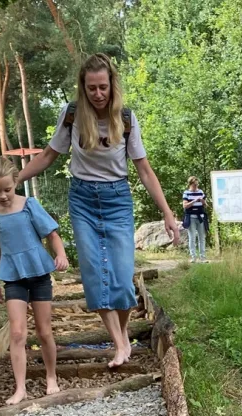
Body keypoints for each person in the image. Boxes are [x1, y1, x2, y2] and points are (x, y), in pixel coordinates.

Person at [18, 53, 180, 368]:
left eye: (103, 87)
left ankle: (121, 338)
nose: (98, 94)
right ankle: (121, 344)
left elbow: (144, 170)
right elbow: (49, 155)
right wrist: (16, 179)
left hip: (117, 199)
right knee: (95, 274)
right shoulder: (72, 115)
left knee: (120, 276)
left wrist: (168, 213)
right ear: (83, 87)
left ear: (112, 85)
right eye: (91, 88)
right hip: (83, 199)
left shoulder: (127, 119)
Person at [0, 157, 69, 405]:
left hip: (39, 274)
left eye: (7, 189)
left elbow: (52, 235)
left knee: (43, 332)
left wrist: (60, 254)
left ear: (15, 183)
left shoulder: (29, 205)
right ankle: (20, 388)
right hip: (13, 278)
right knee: (18, 332)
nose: (2, 196)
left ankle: (51, 377)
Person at [182, 176, 209, 263]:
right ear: (190, 184)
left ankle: (203, 257)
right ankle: (193, 257)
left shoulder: (201, 192)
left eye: (197, 185)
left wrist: (202, 201)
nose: (196, 187)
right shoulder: (186, 193)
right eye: (194, 185)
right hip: (191, 217)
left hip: (200, 217)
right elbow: (185, 205)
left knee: (202, 237)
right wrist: (194, 201)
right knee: (192, 237)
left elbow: (206, 205)